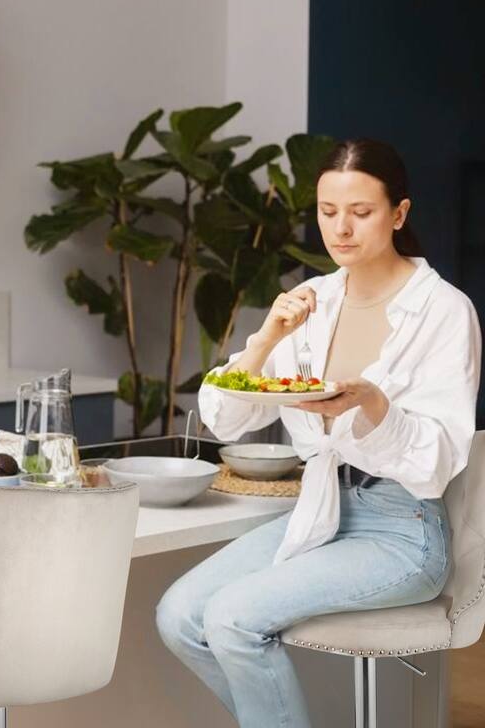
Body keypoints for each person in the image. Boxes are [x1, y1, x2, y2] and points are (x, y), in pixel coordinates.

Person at [155, 138, 481, 727]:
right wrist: (266, 340)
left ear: (399, 214)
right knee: (179, 616)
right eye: (328, 213)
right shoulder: (313, 302)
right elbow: (227, 417)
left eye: (361, 212)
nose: (342, 229)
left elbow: (438, 461)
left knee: (231, 617)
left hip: (403, 531)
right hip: (324, 512)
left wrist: (377, 405)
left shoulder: (443, 311)